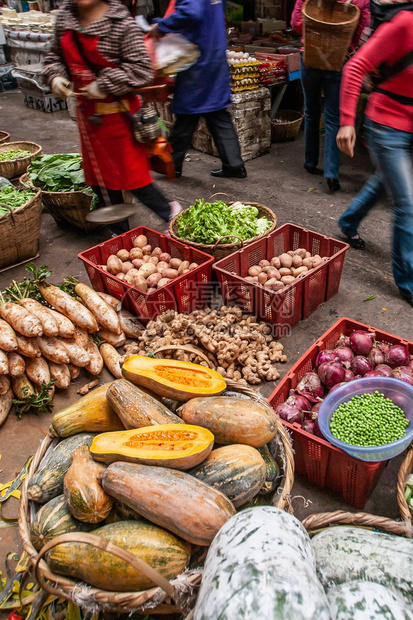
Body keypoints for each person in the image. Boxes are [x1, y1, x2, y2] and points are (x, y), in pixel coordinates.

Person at [42, 0, 181, 236]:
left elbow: (142, 69)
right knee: (100, 180)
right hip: (89, 120)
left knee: (134, 179)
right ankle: (121, 234)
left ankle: (170, 213)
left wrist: (105, 85)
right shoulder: (66, 16)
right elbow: (53, 57)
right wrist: (55, 76)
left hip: (119, 118)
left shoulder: (120, 21)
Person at [337, 0, 413, 306]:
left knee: (384, 181)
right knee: (407, 205)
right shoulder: (405, 24)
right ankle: (409, 283)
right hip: (386, 125)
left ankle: (348, 222)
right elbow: (355, 67)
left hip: (408, 125)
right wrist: (345, 122)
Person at [148, 0, 246, 179]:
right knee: (217, 112)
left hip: (198, 59)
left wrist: (161, 26)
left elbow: (191, 12)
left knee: (187, 113)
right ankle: (234, 164)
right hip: (213, 52)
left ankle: (171, 164)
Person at [291, 0, 370, 192]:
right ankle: (331, 174)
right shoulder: (361, 1)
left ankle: (310, 163)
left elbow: (296, 24)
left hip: (310, 57)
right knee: (333, 116)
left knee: (311, 110)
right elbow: (361, 30)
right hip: (339, 59)